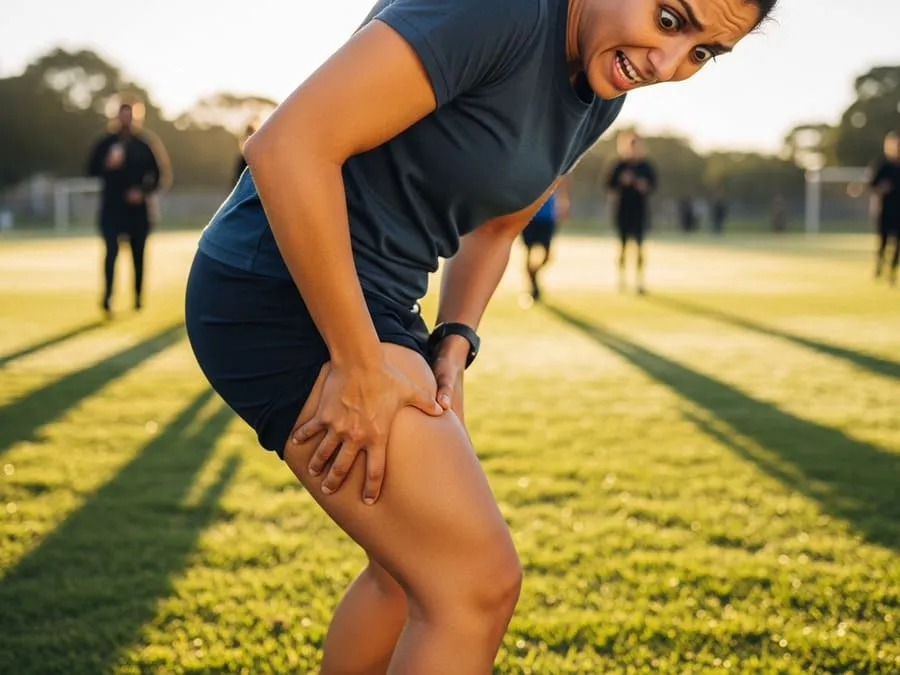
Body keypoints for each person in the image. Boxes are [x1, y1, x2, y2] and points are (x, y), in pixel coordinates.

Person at [184, 0, 776, 672]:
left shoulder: (601, 88)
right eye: (670, 19)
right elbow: (287, 145)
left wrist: (455, 341)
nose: (667, 64)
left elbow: (496, 227)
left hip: (381, 305)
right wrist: (357, 363)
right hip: (279, 287)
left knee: (404, 575)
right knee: (475, 586)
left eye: (702, 52)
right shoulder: (499, 10)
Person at [87, 101, 167, 315]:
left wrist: (142, 191)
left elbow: (160, 175)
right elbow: (91, 169)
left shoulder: (145, 144)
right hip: (112, 209)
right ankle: (107, 298)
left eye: (130, 116)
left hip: (138, 211)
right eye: (122, 115)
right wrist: (107, 164)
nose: (126, 120)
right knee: (111, 252)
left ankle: (138, 298)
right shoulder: (106, 143)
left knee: (138, 255)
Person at [607, 130, 657, 294]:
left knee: (640, 248)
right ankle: (621, 281)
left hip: (640, 211)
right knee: (622, 247)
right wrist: (622, 181)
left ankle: (639, 282)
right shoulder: (619, 165)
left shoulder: (646, 166)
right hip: (623, 211)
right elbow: (609, 184)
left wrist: (644, 186)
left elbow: (653, 186)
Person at [521, 177, 569, 301]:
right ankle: (533, 288)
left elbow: (562, 181)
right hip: (529, 216)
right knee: (528, 253)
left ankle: (534, 275)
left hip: (547, 216)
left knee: (547, 256)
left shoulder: (552, 165)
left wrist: (563, 203)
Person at [870, 130, 900, 284]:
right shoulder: (883, 165)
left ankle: (893, 272)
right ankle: (879, 266)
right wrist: (882, 188)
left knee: (898, 244)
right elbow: (872, 184)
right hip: (886, 210)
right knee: (883, 241)